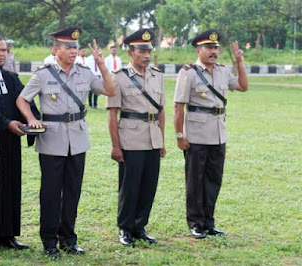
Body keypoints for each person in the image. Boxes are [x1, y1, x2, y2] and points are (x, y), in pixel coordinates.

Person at [16, 26, 115, 258]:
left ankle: (68, 239)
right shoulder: (43, 74)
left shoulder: (84, 73)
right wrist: (31, 118)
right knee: (51, 193)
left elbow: (110, 90)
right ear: (55, 50)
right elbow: (22, 99)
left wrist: (101, 63)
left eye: (76, 47)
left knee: (73, 191)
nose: (73, 51)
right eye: (68, 47)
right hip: (52, 139)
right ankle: (49, 241)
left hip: (78, 139)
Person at [173, 29, 248, 239]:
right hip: (196, 135)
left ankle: (209, 222)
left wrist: (240, 62)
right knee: (195, 181)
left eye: (216, 48)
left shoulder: (223, 71)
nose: (214, 51)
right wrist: (180, 135)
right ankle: (195, 223)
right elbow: (179, 107)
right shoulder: (188, 73)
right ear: (199, 50)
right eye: (209, 48)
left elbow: (243, 86)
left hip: (218, 134)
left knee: (213, 180)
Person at [0, 34, 40, 253]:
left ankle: (7, 234)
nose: (2, 54)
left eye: (4, 50)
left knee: (10, 185)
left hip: (12, 141)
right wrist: (6, 124)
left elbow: (25, 101)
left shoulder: (12, 78)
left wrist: (33, 124)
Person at [106, 29, 166, 247]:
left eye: (149, 50)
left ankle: (140, 226)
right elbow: (112, 113)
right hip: (130, 138)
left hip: (152, 137)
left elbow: (161, 110)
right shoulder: (120, 77)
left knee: (149, 185)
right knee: (129, 186)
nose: (147, 55)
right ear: (131, 53)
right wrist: (115, 146)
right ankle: (125, 227)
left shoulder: (157, 75)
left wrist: (162, 140)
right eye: (142, 51)